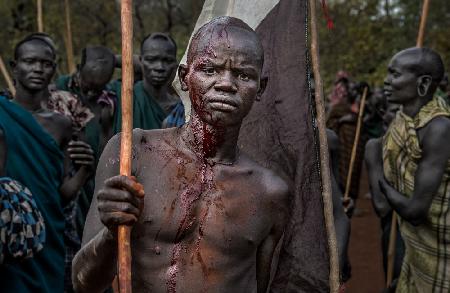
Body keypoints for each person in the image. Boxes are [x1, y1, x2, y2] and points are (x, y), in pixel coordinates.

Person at [72, 16, 289, 293]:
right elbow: (83, 284)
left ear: (261, 87)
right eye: (209, 70)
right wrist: (111, 232)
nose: (225, 84)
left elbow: (260, 287)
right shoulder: (132, 152)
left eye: (243, 75)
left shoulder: (269, 193)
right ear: (185, 77)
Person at [0, 35, 94, 292]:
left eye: (45, 63)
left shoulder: (61, 124)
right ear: (14, 66)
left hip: (47, 233)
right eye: (30, 62)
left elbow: (62, 193)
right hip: (7, 233)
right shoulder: (2, 114)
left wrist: (86, 170)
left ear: (55, 68)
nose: (38, 69)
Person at [374, 47, 450, 292]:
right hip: (414, 249)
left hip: (441, 248)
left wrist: (382, 182)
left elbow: (416, 211)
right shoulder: (402, 122)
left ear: (423, 83)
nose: (387, 81)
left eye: (395, 74)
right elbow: (384, 208)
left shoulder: (439, 128)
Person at [110, 33, 181, 133]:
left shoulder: (181, 108)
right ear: (140, 61)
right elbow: (99, 60)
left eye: (168, 60)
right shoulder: (122, 94)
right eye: (151, 60)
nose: (159, 67)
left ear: (175, 64)